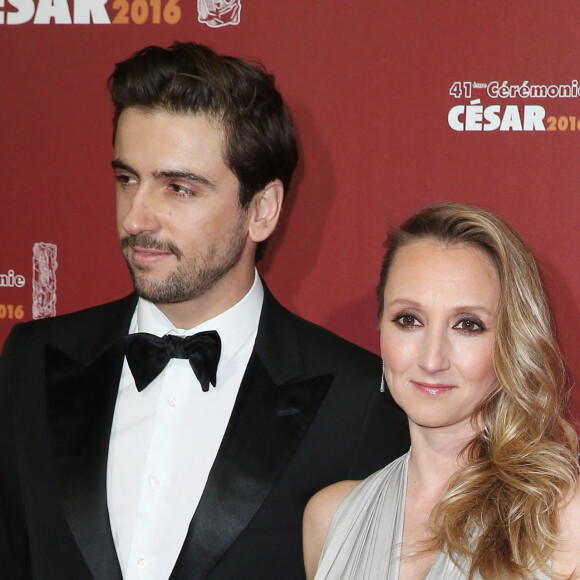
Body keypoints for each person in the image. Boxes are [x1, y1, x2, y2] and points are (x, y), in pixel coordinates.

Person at [0, 42, 410, 580]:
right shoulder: (32, 361)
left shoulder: (356, 400)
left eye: (179, 188)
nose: (136, 218)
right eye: (127, 180)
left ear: (261, 210)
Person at [304, 202, 580, 579]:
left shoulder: (562, 517)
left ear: (513, 343)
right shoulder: (331, 519)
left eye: (467, 325)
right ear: (381, 328)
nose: (432, 359)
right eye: (408, 320)